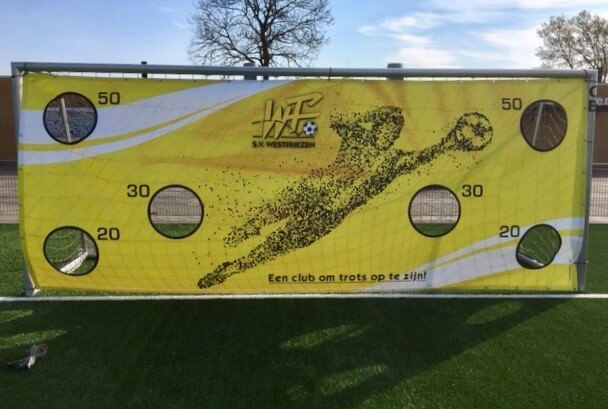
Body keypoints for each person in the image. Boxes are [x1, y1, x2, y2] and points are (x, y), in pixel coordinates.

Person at [198, 106, 493, 288]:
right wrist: (370, 116)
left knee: (277, 245)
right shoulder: (357, 136)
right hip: (313, 187)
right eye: (386, 127)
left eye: (394, 131)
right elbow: (338, 119)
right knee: (269, 212)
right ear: (377, 126)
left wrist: (450, 143)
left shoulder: (394, 161)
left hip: (330, 213)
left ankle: (233, 267)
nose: (389, 134)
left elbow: (425, 156)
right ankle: (240, 231)